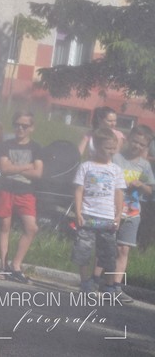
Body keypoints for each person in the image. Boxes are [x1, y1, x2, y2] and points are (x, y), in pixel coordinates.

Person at [72, 127, 125, 294]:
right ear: (97, 146)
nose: (110, 152)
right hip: (88, 214)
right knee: (83, 250)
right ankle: (84, 281)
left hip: (107, 217)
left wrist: (118, 214)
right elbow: (79, 190)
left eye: (113, 148)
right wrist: (78, 212)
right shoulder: (86, 166)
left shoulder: (116, 170)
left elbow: (119, 193)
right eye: (107, 148)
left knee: (108, 252)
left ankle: (109, 284)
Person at [0, 111, 44, 283]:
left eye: (25, 126)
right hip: (6, 189)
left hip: (26, 192)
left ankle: (16, 265)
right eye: (18, 125)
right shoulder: (5, 145)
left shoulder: (36, 148)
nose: (21, 128)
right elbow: (4, 170)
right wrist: (26, 166)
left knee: (31, 228)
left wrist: (15, 166)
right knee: (5, 226)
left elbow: (38, 173)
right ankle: (3, 265)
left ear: (32, 128)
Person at [110, 126, 154, 302]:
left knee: (123, 249)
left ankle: (115, 286)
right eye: (135, 141)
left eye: (142, 144)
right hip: (112, 209)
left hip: (133, 210)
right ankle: (98, 281)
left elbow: (150, 190)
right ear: (128, 139)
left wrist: (140, 185)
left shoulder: (144, 165)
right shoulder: (116, 158)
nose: (137, 145)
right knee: (107, 247)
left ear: (146, 146)